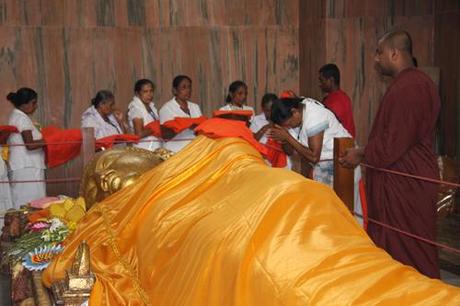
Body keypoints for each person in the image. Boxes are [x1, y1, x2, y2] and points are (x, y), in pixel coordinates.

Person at [43, 130, 460, 305]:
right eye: (115, 180)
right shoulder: (146, 215)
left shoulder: (205, 161)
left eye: (125, 165)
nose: (123, 174)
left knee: (361, 273)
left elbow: (240, 157)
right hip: (252, 232)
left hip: (293, 203)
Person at [339, 30, 440, 278]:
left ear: (394, 53)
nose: (376, 59)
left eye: (379, 53)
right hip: (402, 181)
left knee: (411, 257)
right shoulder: (411, 84)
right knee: (399, 256)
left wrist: (360, 154)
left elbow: (391, 145)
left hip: (406, 184)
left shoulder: (410, 87)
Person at [269, 97, 351, 186]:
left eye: (289, 124)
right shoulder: (295, 116)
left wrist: (288, 137)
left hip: (341, 161)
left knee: (333, 199)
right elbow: (290, 152)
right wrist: (284, 140)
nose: (289, 127)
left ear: (295, 112)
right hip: (322, 164)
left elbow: (314, 157)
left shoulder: (314, 116)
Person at [7, 88, 46, 208]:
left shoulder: (18, 116)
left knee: (29, 203)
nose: (36, 106)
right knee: (31, 203)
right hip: (27, 168)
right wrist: (49, 141)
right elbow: (29, 144)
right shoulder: (21, 118)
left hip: (26, 166)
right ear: (24, 104)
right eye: (33, 103)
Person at [159, 75, 202, 153]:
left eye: (189, 87)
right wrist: (183, 125)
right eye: (184, 87)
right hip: (175, 152)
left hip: (194, 151)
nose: (188, 90)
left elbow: (201, 130)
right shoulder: (166, 108)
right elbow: (165, 135)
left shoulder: (195, 107)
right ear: (174, 90)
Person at [318, 63, 356, 138]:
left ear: (331, 80)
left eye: (322, 80)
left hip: (341, 145)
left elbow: (328, 126)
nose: (320, 84)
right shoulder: (336, 97)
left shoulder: (337, 101)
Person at [127, 79, 162, 151]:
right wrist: (154, 128)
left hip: (155, 148)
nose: (149, 94)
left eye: (151, 91)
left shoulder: (152, 107)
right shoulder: (136, 109)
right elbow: (139, 134)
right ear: (137, 93)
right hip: (143, 151)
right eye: (145, 92)